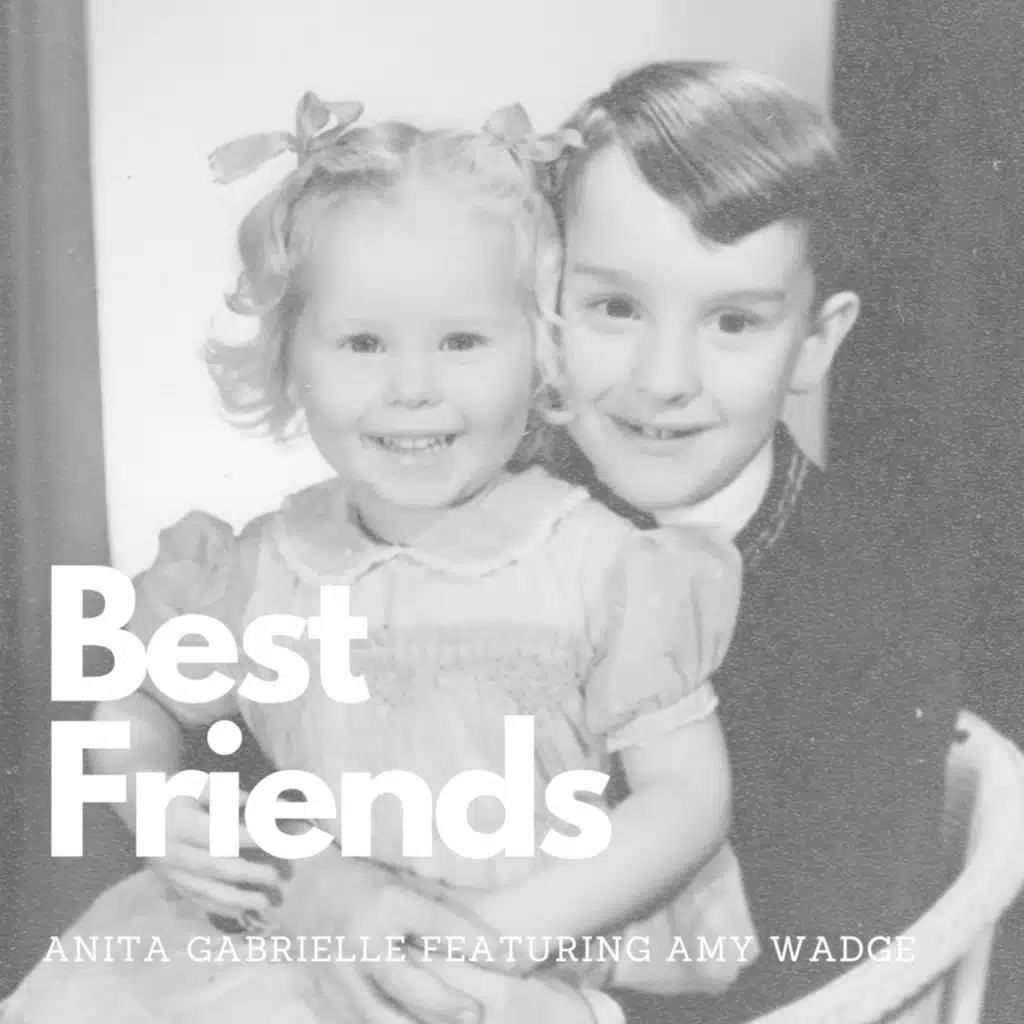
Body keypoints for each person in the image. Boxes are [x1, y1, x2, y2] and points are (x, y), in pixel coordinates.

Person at [4, 93, 758, 1024]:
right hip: (309, 943)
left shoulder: (602, 564)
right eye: (362, 342)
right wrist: (153, 805)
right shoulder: (263, 567)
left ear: (542, 351)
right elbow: (132, 701)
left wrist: (501, 933)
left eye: (462, 341)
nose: (412, 387)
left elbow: (686, 796)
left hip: (522, 947)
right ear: (290, 359)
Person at [543, 60, 963, 1021]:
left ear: (814, 342)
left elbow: (822, 968)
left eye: (732, 321)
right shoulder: (493, 502)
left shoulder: (871, 616)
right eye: (615, 307)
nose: (663, 377)